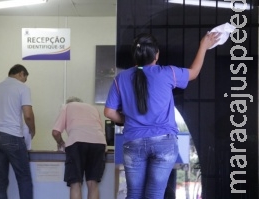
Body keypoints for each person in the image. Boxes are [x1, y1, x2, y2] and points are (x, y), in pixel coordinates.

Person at [104, 32, 220, 199]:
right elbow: (193, 73)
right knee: (155, 195)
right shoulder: (168, 73)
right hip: (164, 142)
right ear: (156, 55)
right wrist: (203, 46)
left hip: (133, 142)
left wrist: (126, 120)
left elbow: (109, 112)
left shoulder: (120, 79)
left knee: (134, 194)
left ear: (135, 56)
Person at [0, 64, 35, 199]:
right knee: (23, 177)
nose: (24, 81)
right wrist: (32, 131)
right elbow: (28, 115)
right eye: (24, 78)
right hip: (11, 136)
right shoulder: (22, 88)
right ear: (21, 74)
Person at [52, 96, 107, 199]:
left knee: (75, 184)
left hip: (77, 142)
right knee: (93, 184)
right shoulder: (93, 108)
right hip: (99, 143)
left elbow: (55, 132)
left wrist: (61, 143)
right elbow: (102, 132)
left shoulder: (67, 107)